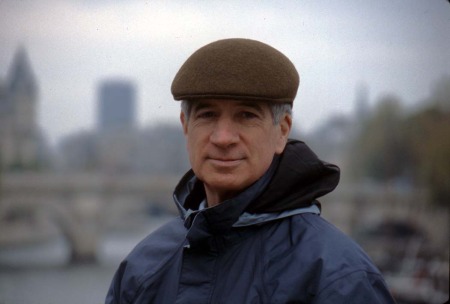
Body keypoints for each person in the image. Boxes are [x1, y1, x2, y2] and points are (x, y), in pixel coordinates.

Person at [105, 38, 396, 303]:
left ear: (282, 132)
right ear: (185, 126)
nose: (223, 138)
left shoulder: (340, 281)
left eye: (246, 116)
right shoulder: (140, 270)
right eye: (207, 115)